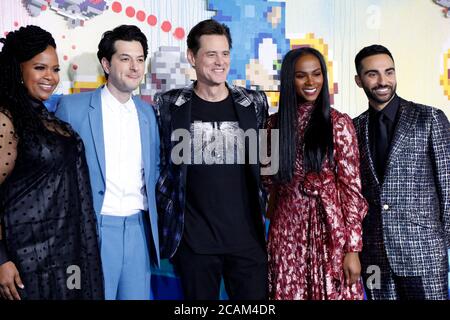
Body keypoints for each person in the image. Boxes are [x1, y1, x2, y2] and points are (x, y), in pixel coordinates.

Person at [154, 19, 269, 300]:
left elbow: (267, 164)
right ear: (192, 57)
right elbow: (161, 166)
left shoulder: (254, 102)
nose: (220, 62)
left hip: (248, 242)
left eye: (225, 53)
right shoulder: (169, 104)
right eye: (211, 54)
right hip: (195, 244)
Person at [55, 25, 160, 300]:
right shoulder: (72, 108)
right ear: (106, 63)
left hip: (138, 231)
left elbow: (154, 171)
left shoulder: (148, 113)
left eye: (140, 59)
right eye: (125, 58)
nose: (135, 67)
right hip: (93, 229)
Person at [0, 25, 103, 300]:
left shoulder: (50, 120)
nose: (50, 77)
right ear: (18, 69)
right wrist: (1, 259)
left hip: (66, 255)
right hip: (25, 261)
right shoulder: (6, 118)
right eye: (40, 68)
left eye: (56, 69)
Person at [264, 47, 368, 300]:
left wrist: (352, 249)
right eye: (301, 75)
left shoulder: (339, 123)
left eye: (317, 74)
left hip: (328, 233)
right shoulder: (270, 125)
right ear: (289, 79)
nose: (311, 82)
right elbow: (268, 186)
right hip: (286, 234)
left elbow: (352, 190)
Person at [353, 44, 450, 300]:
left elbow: (448, 186)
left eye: (389, 72)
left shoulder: (429, 118)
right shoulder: (353, 128)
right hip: (374, 257)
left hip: (423, 253)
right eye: (372, 74)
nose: (383, 81)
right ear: (359, 80)